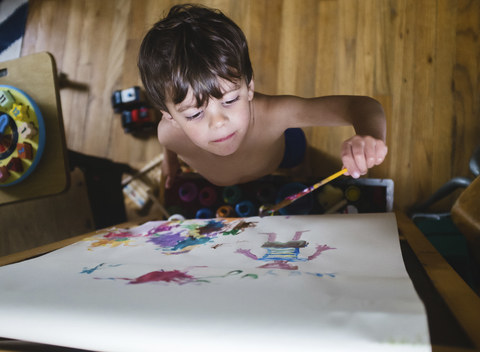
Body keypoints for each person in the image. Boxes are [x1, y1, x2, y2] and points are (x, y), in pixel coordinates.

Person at [138, 4, 388, 188]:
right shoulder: (168, 134)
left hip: (283, 152)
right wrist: (169, 161)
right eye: (194, 114)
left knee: (299, 159)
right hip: (247, 178)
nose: (218, 122)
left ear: (249, 87)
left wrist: (370, 137)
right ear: (169, 116)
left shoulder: (276, 115)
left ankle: (301, 168)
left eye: (231, 100)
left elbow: (363, 105)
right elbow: (168, 143)